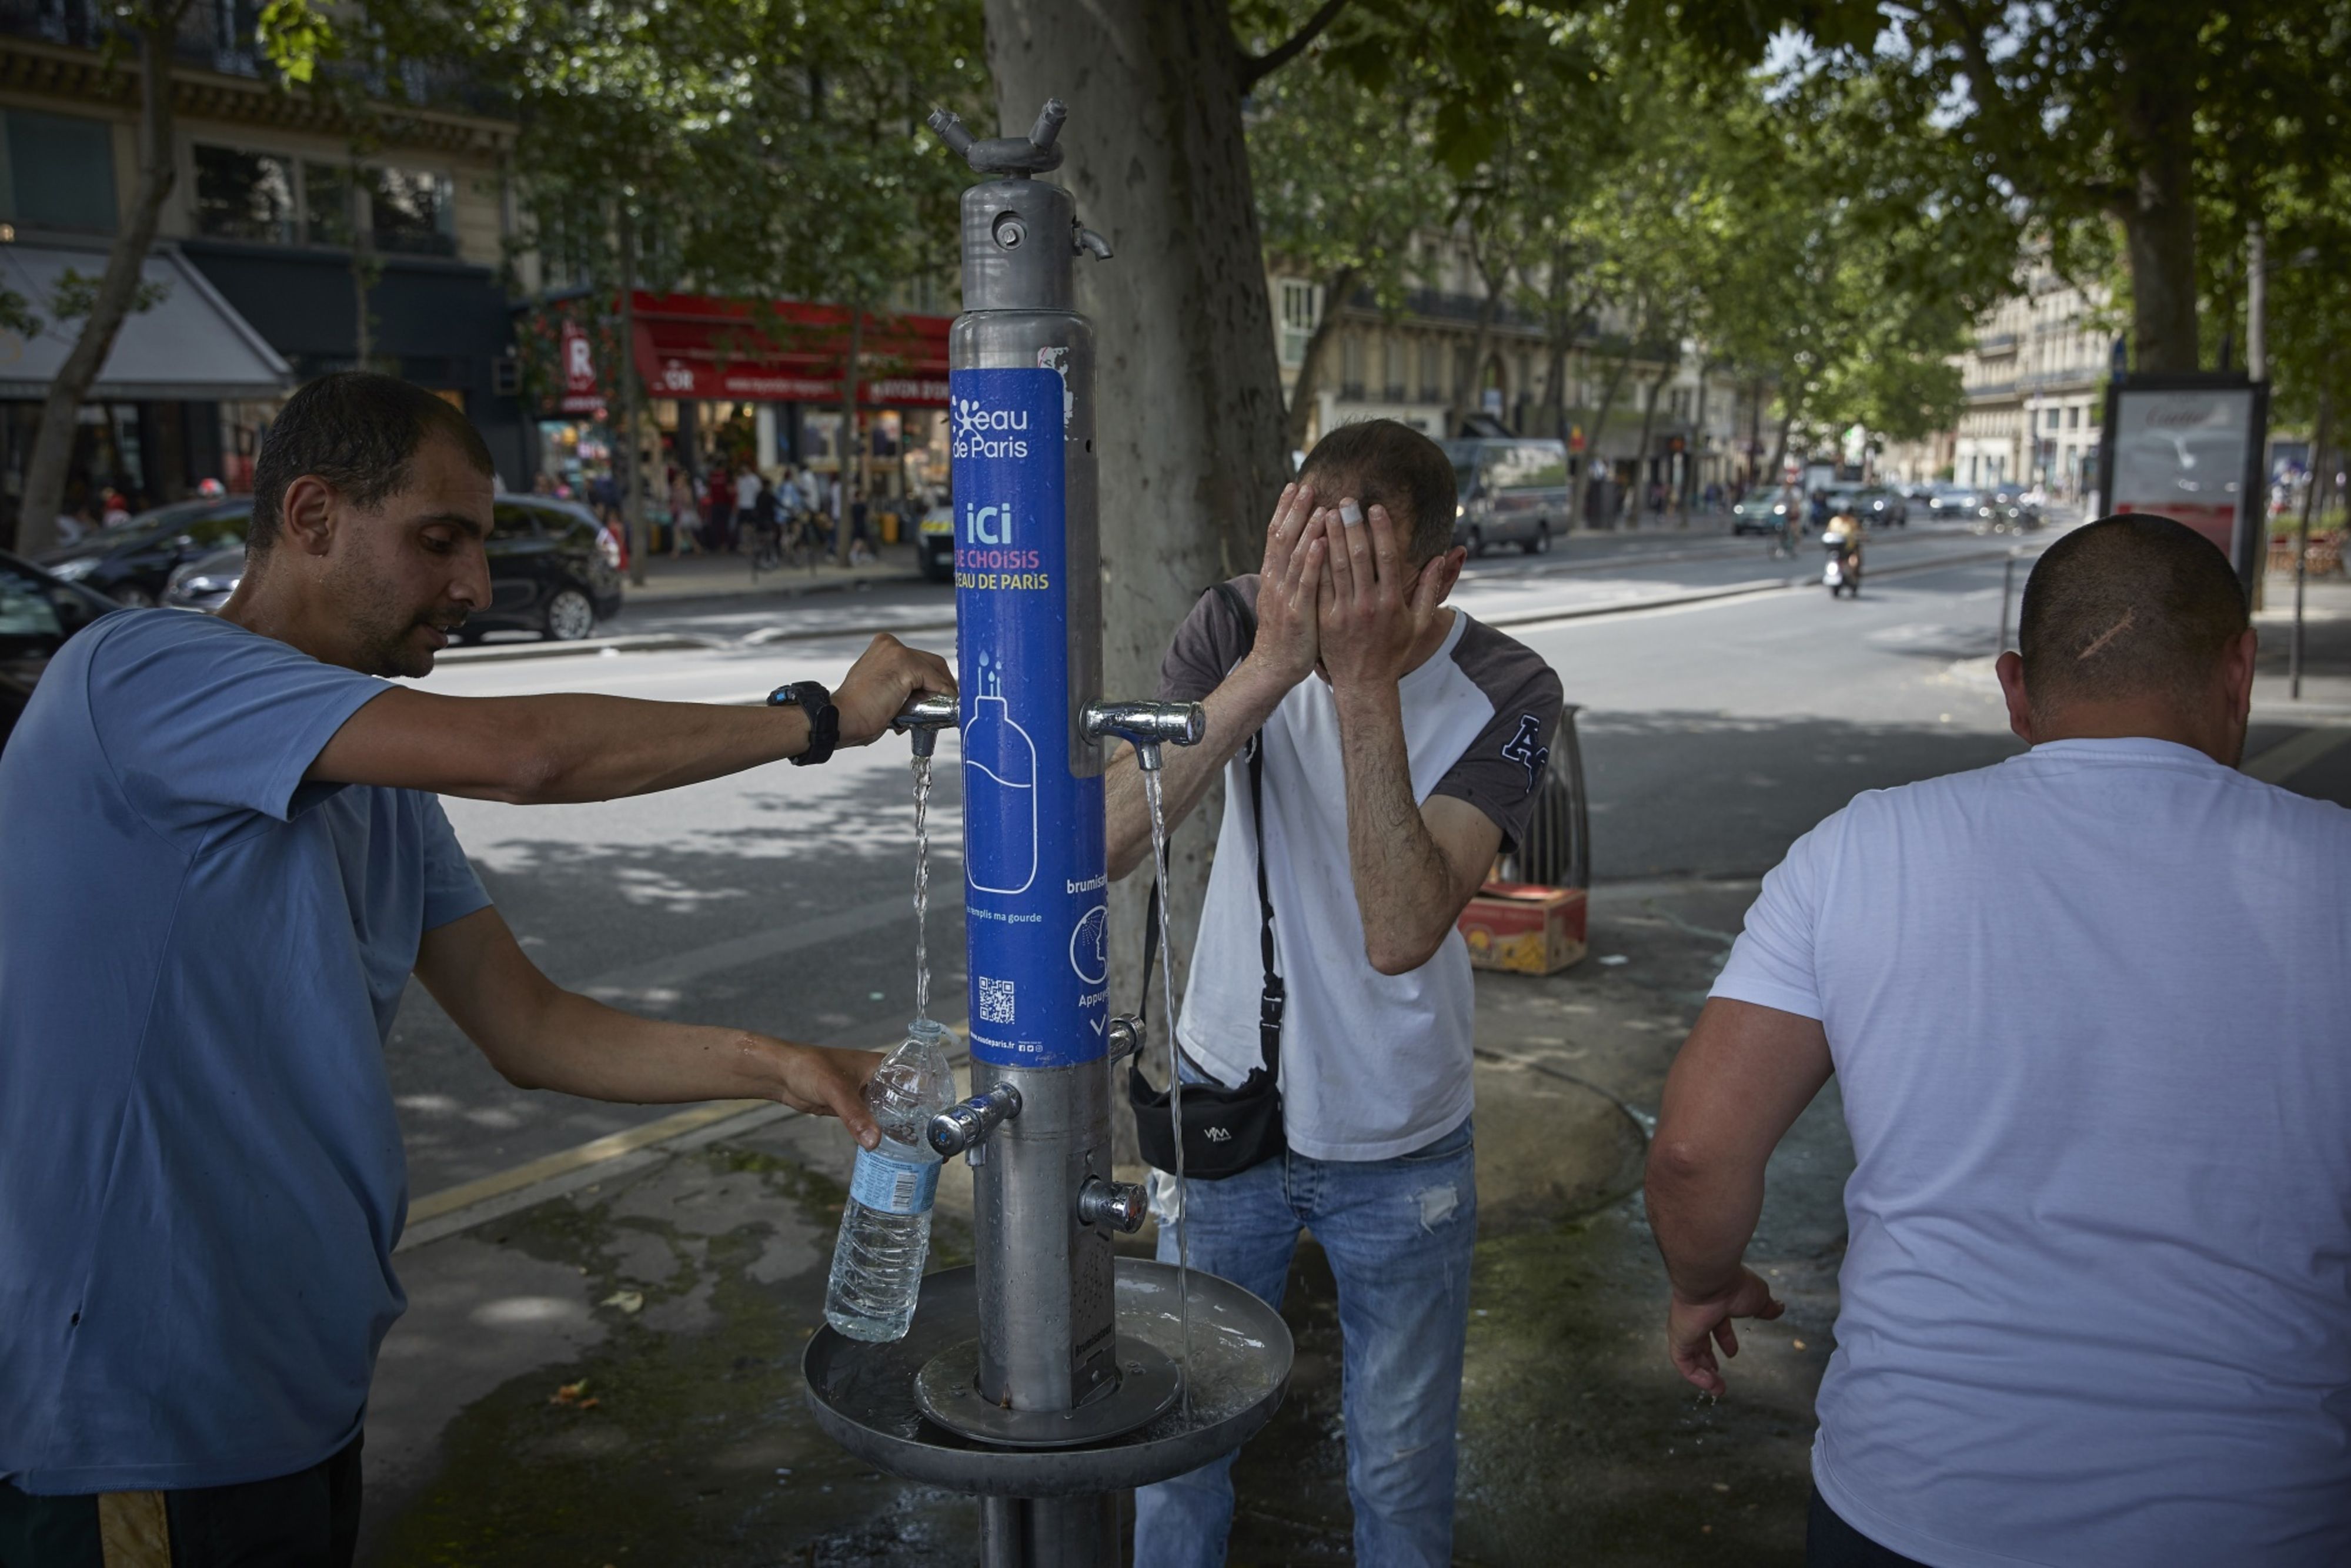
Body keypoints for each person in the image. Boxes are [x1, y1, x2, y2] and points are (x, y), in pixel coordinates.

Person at [0, 372, 954, 1565]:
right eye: (437, 539)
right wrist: (815, 716)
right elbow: (529, 756)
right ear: (309, 517)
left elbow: (530, 1023)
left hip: (295, 1390)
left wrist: (788, 1067)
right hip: (141, 1414)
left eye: (481, 545)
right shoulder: (138, 671)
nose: (475, 587)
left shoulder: (370, 779)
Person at [1644, 514, 2351, 1567]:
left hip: (1913, 1499)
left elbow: (1695, 1152)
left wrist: (1703, 1282)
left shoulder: (1860, 850)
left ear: (2014, 688)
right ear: (2239, 669)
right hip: (2258, 1511)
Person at [1108, 419, 1564, 1568]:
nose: (1325, 604)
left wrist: (1363, 687)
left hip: (1401, 1133)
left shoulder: (1511, 685)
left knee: (1400, 1465)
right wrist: (1267, 664)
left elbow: (1403, 924)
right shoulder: (1235, 626)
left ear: (1440, 575)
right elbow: (1096, 841)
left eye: (1361, 578)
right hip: (1228, 1099)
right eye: (1308, 566)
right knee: (1179, 1445)